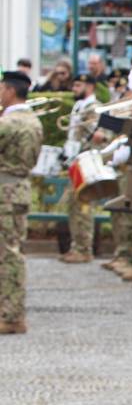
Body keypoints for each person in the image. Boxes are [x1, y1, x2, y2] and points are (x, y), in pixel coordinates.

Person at [0, 71, 43, 334]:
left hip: (5, 191)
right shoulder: (32, 120)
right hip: (17, 189)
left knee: (7, 254)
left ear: (10, 91)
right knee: (9, 251)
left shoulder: (9, 123)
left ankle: (12, 314)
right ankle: (8, 307)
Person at [57, 73, 101, 263]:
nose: (74, 89)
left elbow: (97, 135)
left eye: (78, 85)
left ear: (89, 87)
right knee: (74, 205)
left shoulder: (94, 107)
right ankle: (77, 245)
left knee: (83, 205)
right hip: (75, 160)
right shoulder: (79, 106)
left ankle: (84, 248)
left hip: (86, 161)